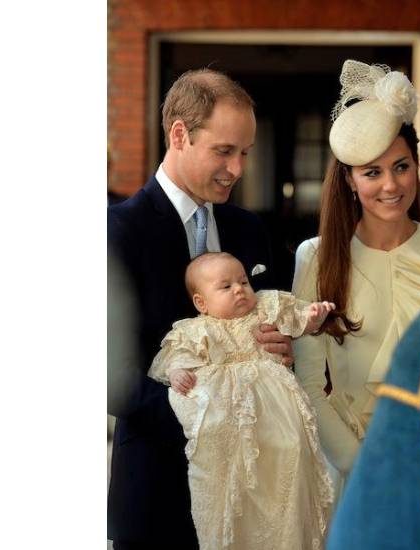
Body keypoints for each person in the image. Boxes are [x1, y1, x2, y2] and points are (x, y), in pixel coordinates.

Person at [107, 68, 295, 550]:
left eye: (245, 153)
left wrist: (281, 345)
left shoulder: (251, 230)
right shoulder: (115, 233)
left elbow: (273, 331)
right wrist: (211, 420)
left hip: (255, 499)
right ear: (179, 134)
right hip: (156, 493)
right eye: (224, 151)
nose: (238, 169)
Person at [291, 60, 420, 490]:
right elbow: (310, 385)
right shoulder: (315, 256)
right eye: (372, 172)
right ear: (351, 181)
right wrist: (363, 467)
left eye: (402, 166)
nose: (391, 185)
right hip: (354, 474)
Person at [147, 252, 334, 550]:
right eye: (226, 287)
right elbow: (173, 358)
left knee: (289, 453)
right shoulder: (197, 330)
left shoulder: (264, 308)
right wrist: (177, 369)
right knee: (228, 478)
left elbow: (299, 319)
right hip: (225, 420)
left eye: (243, 281)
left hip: (276, 410)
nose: (239, 289)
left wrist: (312, 316)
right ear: (201, 303)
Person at [326, 203, 420, 550]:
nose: (390, 185)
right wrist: (353, 462)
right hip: (349, 457)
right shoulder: (321, 252)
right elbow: (309, 379)